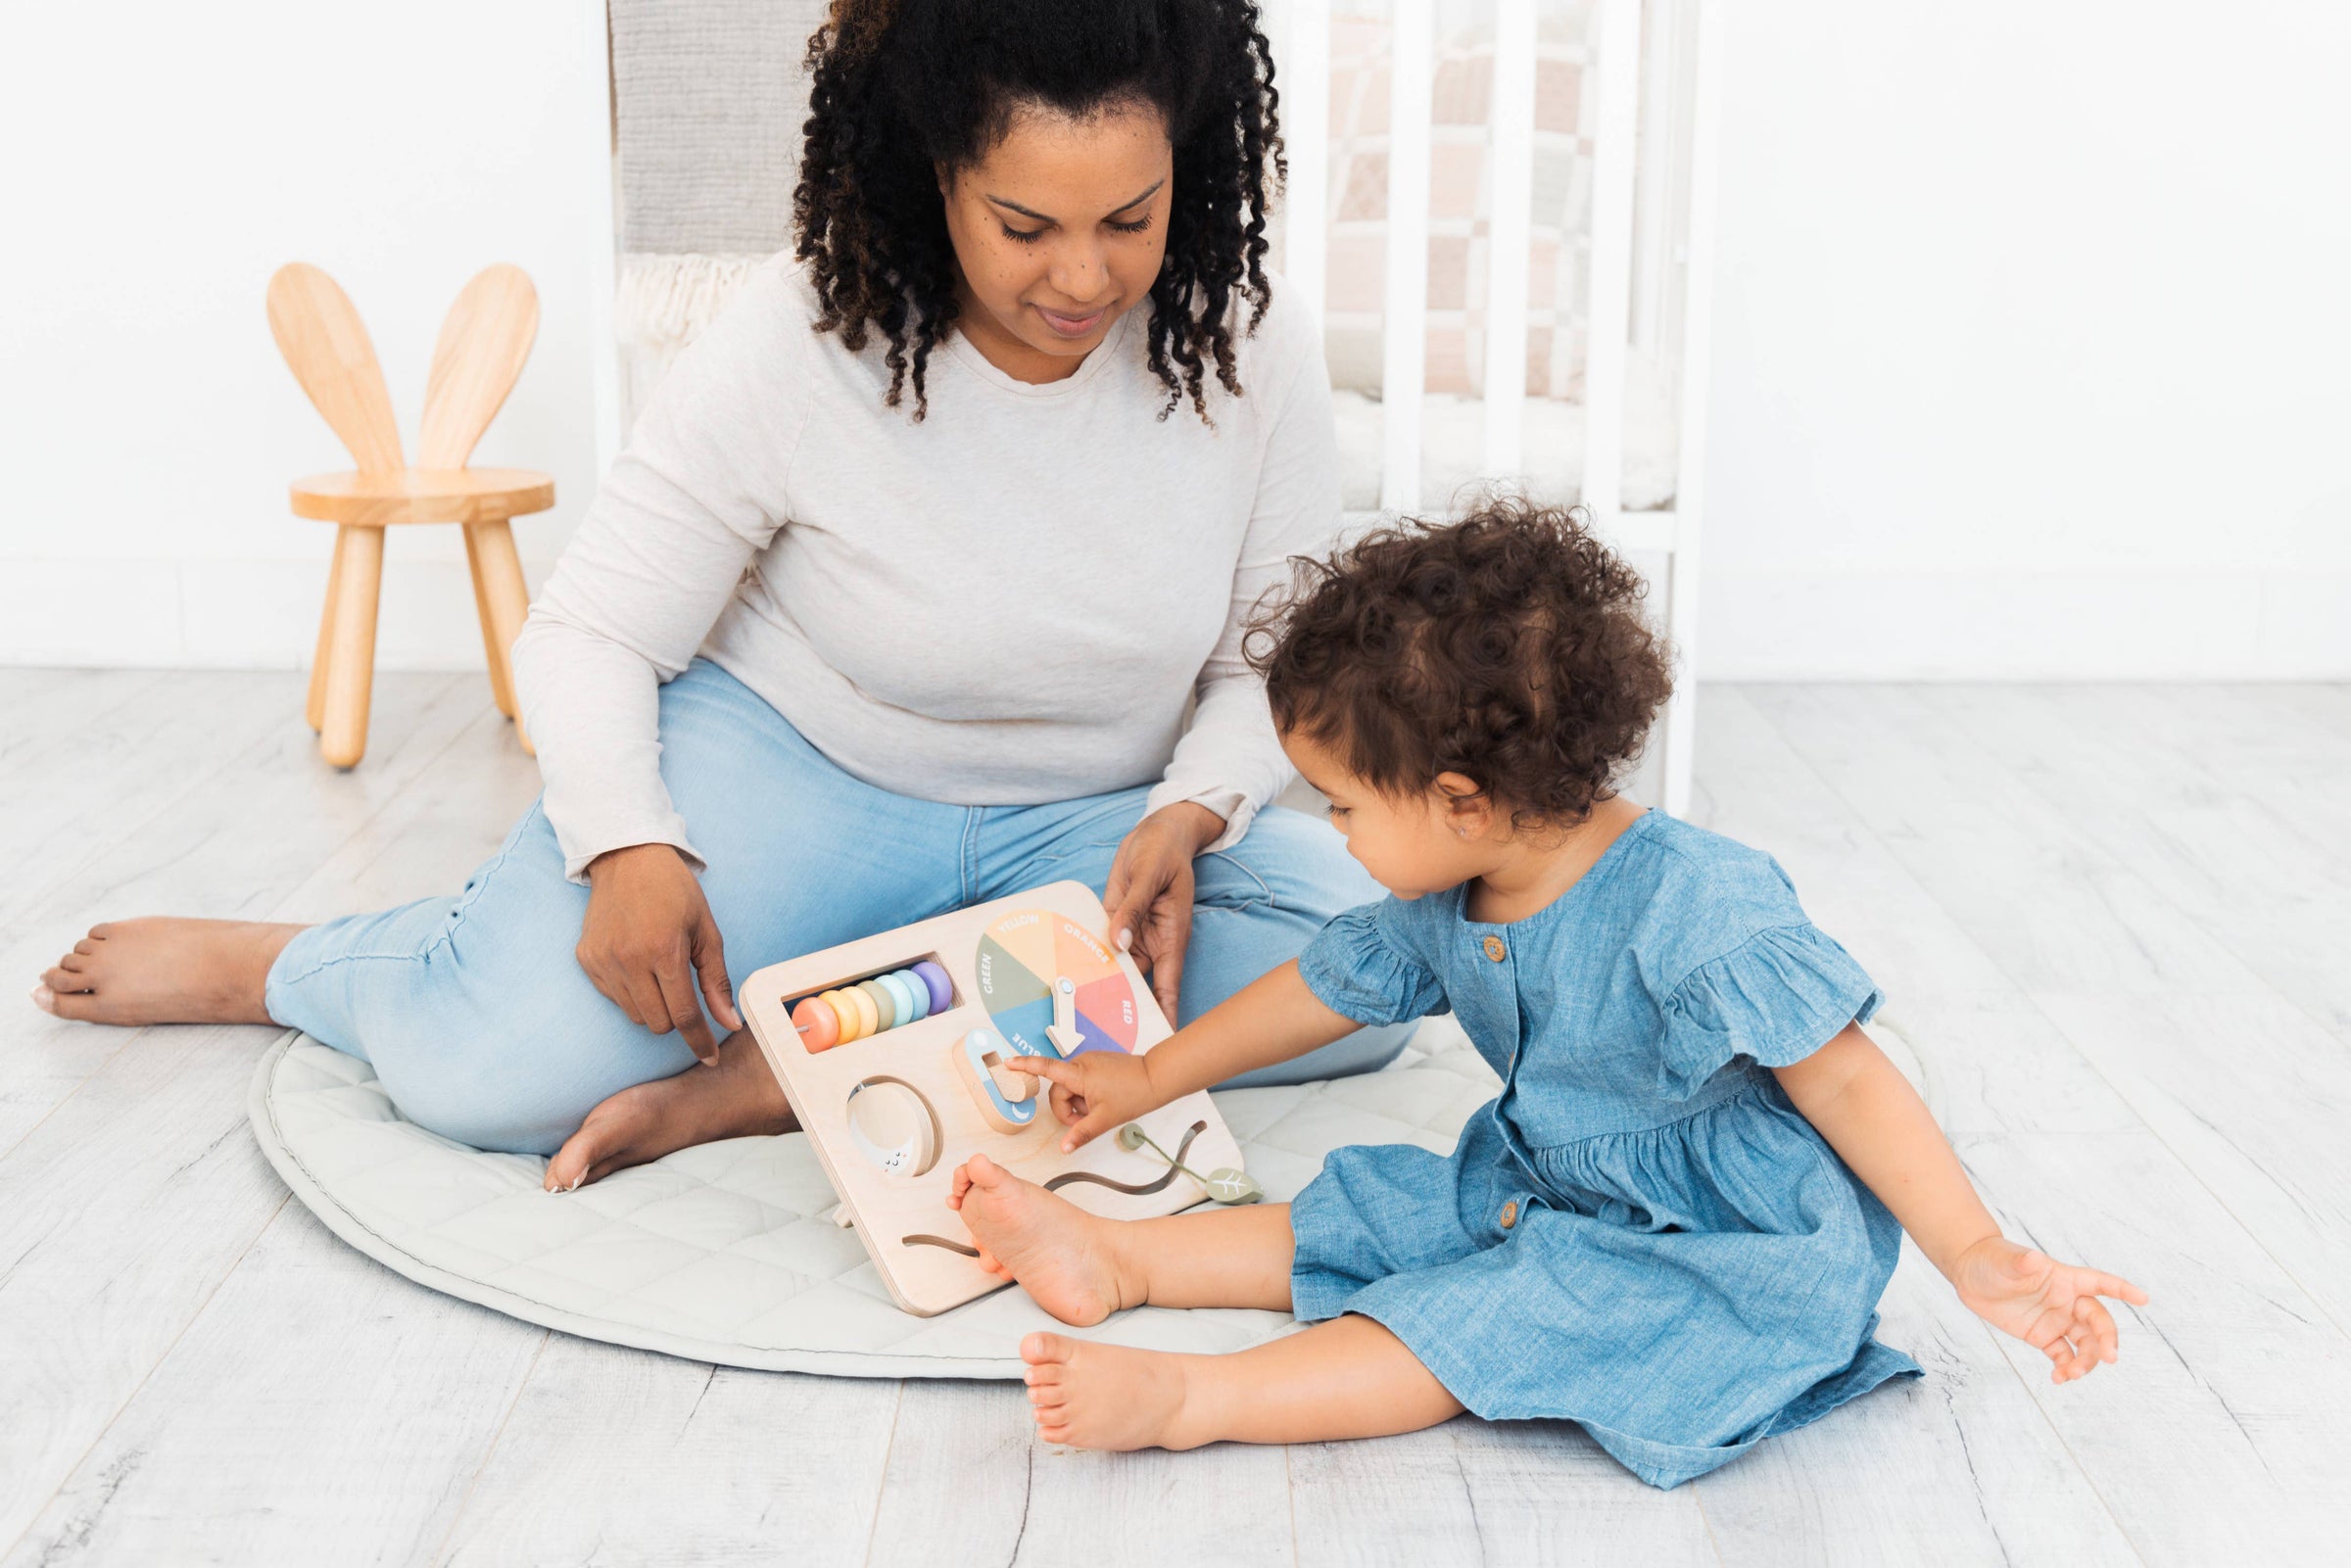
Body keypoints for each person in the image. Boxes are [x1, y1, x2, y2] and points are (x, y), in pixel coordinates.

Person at [31, 0, 1411, 1187]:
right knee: (485, 1076)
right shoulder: (805, 333)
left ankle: (772, 1067)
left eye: (1129, 218)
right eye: (1024, 224)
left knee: (1378, 975)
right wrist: (629, 845)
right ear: (936, 173)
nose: (1084, 276)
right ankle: (311, 959)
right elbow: (593, 627)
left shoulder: (1250, 349)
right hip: (806, 775)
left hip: (1091, 824)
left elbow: (1269, 666)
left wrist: (1192, 806)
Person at [943, 499, 2149, 1487]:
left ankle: (1193, 1398)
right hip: (1553, 1183)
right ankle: (1118, 1258)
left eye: (1345, 804)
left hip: (1721, 1250)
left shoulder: (1695, 901)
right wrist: (1152, 1074)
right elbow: (1325, 987)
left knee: (1495, 1315)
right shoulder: (1453, 886)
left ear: (1461, 801)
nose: (1334, 830)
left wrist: (1975, 1251)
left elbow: (1846, 1078)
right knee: (1387, 1207)